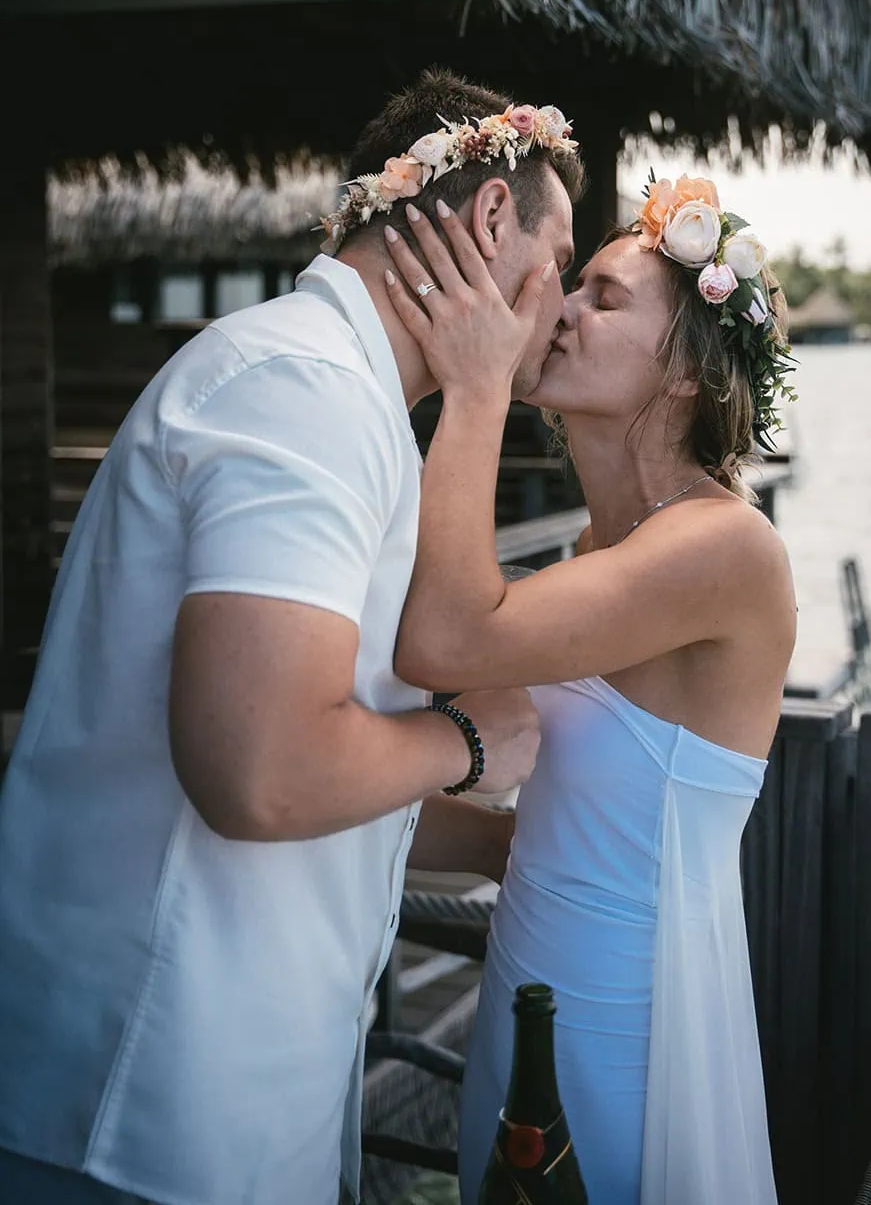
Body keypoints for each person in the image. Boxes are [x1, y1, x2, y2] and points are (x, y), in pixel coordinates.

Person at [0, 70, 583, 1205]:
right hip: (145, 1093)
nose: (559, 306)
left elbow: (327, 763)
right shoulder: (302, 391)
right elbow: (263, 771)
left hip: (230, 1090)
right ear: (491, 218)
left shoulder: (334, 394)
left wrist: (490, 846)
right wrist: (469, 742)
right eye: (558, 260)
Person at [380, 174, 797, 1204]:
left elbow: (443, 638)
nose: (559, 307)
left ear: (687, 371)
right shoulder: (595, 550)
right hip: (523, 979)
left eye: (602, 297)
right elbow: (560, 814)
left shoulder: (726, 548)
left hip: (625, 1017)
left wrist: (476, 387)